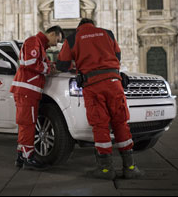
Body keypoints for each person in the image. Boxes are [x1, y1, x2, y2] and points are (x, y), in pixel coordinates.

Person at [56, 18, 143, 180]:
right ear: (93, 24)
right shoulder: (107, 33)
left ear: (79, 27)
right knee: (121, 123)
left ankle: (106, 169)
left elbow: (62, 64)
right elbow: (117, 55)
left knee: (100, 125)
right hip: (114, 82)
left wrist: (77, 65)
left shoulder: (73, 38)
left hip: (93, 85)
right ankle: (130, 167)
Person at [10, 25, 64, 170]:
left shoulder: (40, 46)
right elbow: (30, 63)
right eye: (57, 40)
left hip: (28, 91)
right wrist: (48, 68)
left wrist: (53, 66)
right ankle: (29, 158)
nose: (56, 44)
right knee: (28, 124)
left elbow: (40, 63)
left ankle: (21, 156)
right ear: (52, 34)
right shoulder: (34, 41)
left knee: (24, 123)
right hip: (27, 90)